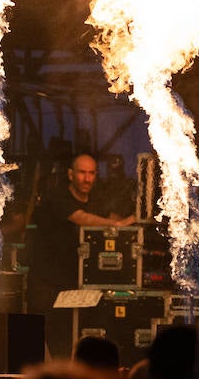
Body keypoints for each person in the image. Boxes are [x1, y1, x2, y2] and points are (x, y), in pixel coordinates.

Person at [27, 151, 137, 361]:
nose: (87, 179)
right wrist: (117, 225)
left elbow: (107, 215)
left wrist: (132, 219)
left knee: (77, 333)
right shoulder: (57, 196)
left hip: (75, 280)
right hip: (46, 280)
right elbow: (82, 217)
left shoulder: (97, 199)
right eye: (82, 173)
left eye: (92, 173)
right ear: (70, 174)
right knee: (48, 336)